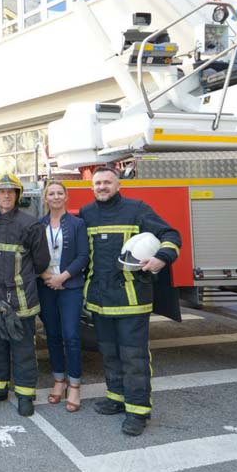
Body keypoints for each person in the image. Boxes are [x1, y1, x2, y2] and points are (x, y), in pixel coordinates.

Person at [78, 165, 181, 436]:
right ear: (92, 187)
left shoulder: (137, 210)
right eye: (98, 183)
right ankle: (116, 398)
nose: (102, 187)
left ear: (118, 185)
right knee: (109, 354)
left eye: (107, 182)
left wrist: (161, 258)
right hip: (100, 301)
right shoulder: (87, 214)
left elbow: (171, 235)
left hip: (132, 300)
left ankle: (137, 411)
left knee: (133, 357)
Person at [0, 172, 50, 417]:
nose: (6, 195)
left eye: (11, 191)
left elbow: (41, 263)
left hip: (21, 300)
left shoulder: (31, 225)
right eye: (1, 192)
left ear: (18, 195)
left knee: (23, 351)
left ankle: (25, 395)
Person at [37, 181, 90, 412]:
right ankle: (59, 380)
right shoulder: (39, 225)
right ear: (45, 198)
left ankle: (75, 385)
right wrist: (46, 275)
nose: (56, 197)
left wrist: (63, 277)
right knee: (53, 335)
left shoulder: (77, 224)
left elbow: (83, 256)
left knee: (71, 335)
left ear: (66, 197)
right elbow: (33, 254)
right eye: (51, 193)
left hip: (70, 286)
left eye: (60, 193)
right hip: (46, 285)